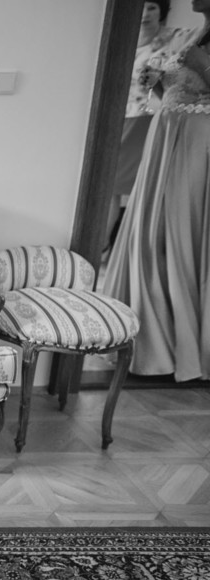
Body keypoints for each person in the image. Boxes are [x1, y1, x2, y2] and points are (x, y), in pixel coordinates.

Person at [103, 1, 210, 382]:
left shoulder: (183, 36)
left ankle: (180, 344)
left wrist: (194, 68)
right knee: (152, 231)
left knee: (183, 235)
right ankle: (148, 332)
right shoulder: (197, 31)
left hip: (197, 145)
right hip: (165, 138)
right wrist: (163, 79)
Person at [106, 1, 181, 250]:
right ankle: (103, 247)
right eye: (140, 7)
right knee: (111, 186)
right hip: (116, 116)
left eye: (151, 7)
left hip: (147, 117)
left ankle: (129, 249)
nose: (144, 14)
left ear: (161, 10)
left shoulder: (174, 40)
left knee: (135, 185)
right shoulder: (119, 38)